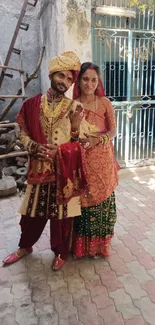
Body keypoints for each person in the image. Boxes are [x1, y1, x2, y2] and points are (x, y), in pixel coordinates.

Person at [2, 52, 95, 271]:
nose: (65, 82)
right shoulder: (32, 104)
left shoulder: (75, 108)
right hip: (38, 170)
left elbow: (81, 143)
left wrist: (70, 132)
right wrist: (34, 147)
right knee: (31, 213)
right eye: (61, 76)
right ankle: (25, 246)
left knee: (62, 218)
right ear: (52, 74)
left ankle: (61, 252)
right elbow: (21, 132)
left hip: (63, 173)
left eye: (70, 79)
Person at [72, 62, 119, 258]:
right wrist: (76, 129)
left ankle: (102, 246)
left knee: (105, 203)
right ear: (79, 80)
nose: (89, 83)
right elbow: (70, 136)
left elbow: (113, 130)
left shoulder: (104, 102)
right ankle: (82, 248)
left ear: (98, 81)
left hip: (103, 160)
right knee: (82, 203)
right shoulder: (73, 106)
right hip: (82, 160)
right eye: (85, 79)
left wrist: (98, 139)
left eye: (93, 80)